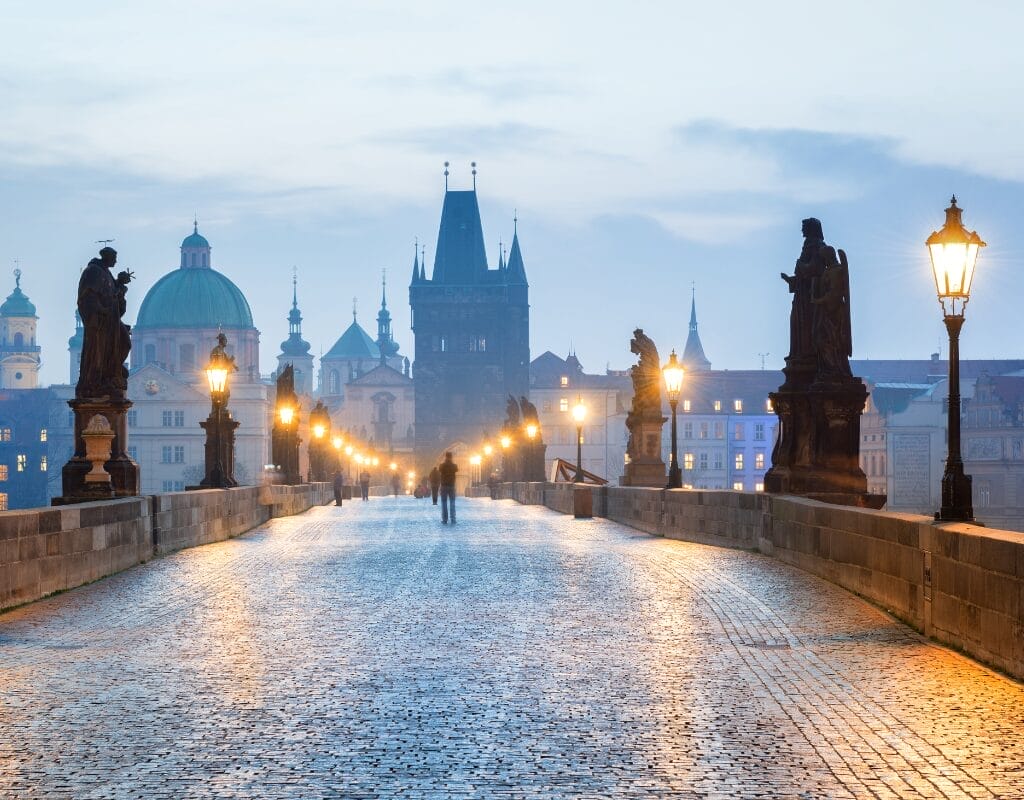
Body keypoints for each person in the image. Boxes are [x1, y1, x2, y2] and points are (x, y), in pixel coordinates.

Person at [438, 451, 458, 524]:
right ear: (451, 457)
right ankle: (453, 518)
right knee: (452, 502)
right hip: (451, 486)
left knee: (444, 503)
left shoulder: (442, 466)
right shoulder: (454, 466)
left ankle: (444, 519)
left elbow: (440, 469)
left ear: (445, 457)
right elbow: (456, 469)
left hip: (444, 486)